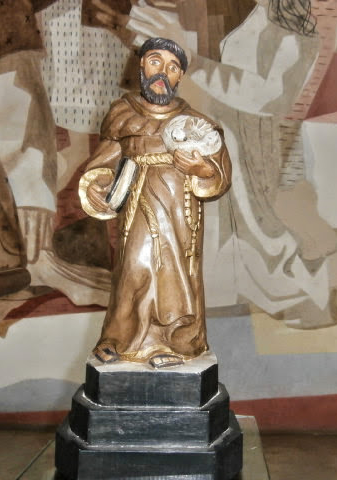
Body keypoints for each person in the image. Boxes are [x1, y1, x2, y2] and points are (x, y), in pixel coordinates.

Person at [80, 37, 231, 368]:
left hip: (179, 213)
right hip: (138, 206)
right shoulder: (123, 114)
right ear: (141, 66)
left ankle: (173, 342)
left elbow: (219, 172)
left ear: (180, 77)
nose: (163, 72)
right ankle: (120, 339)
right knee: (134, 266)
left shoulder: (197, 123)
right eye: (155, 62)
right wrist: (99, 185)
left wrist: (201, 169)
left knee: (172, 273)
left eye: (173, 67)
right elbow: (103, 162)